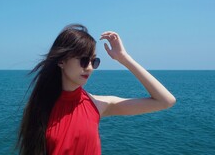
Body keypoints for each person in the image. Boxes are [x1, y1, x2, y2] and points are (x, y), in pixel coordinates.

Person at [17, 24, 176, 155]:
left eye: (94, 61)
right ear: (61, 61)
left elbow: (165, 101)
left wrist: (123, 58)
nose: (90, 68)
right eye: (84, 60)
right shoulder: (40, 108)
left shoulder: (97, 104)